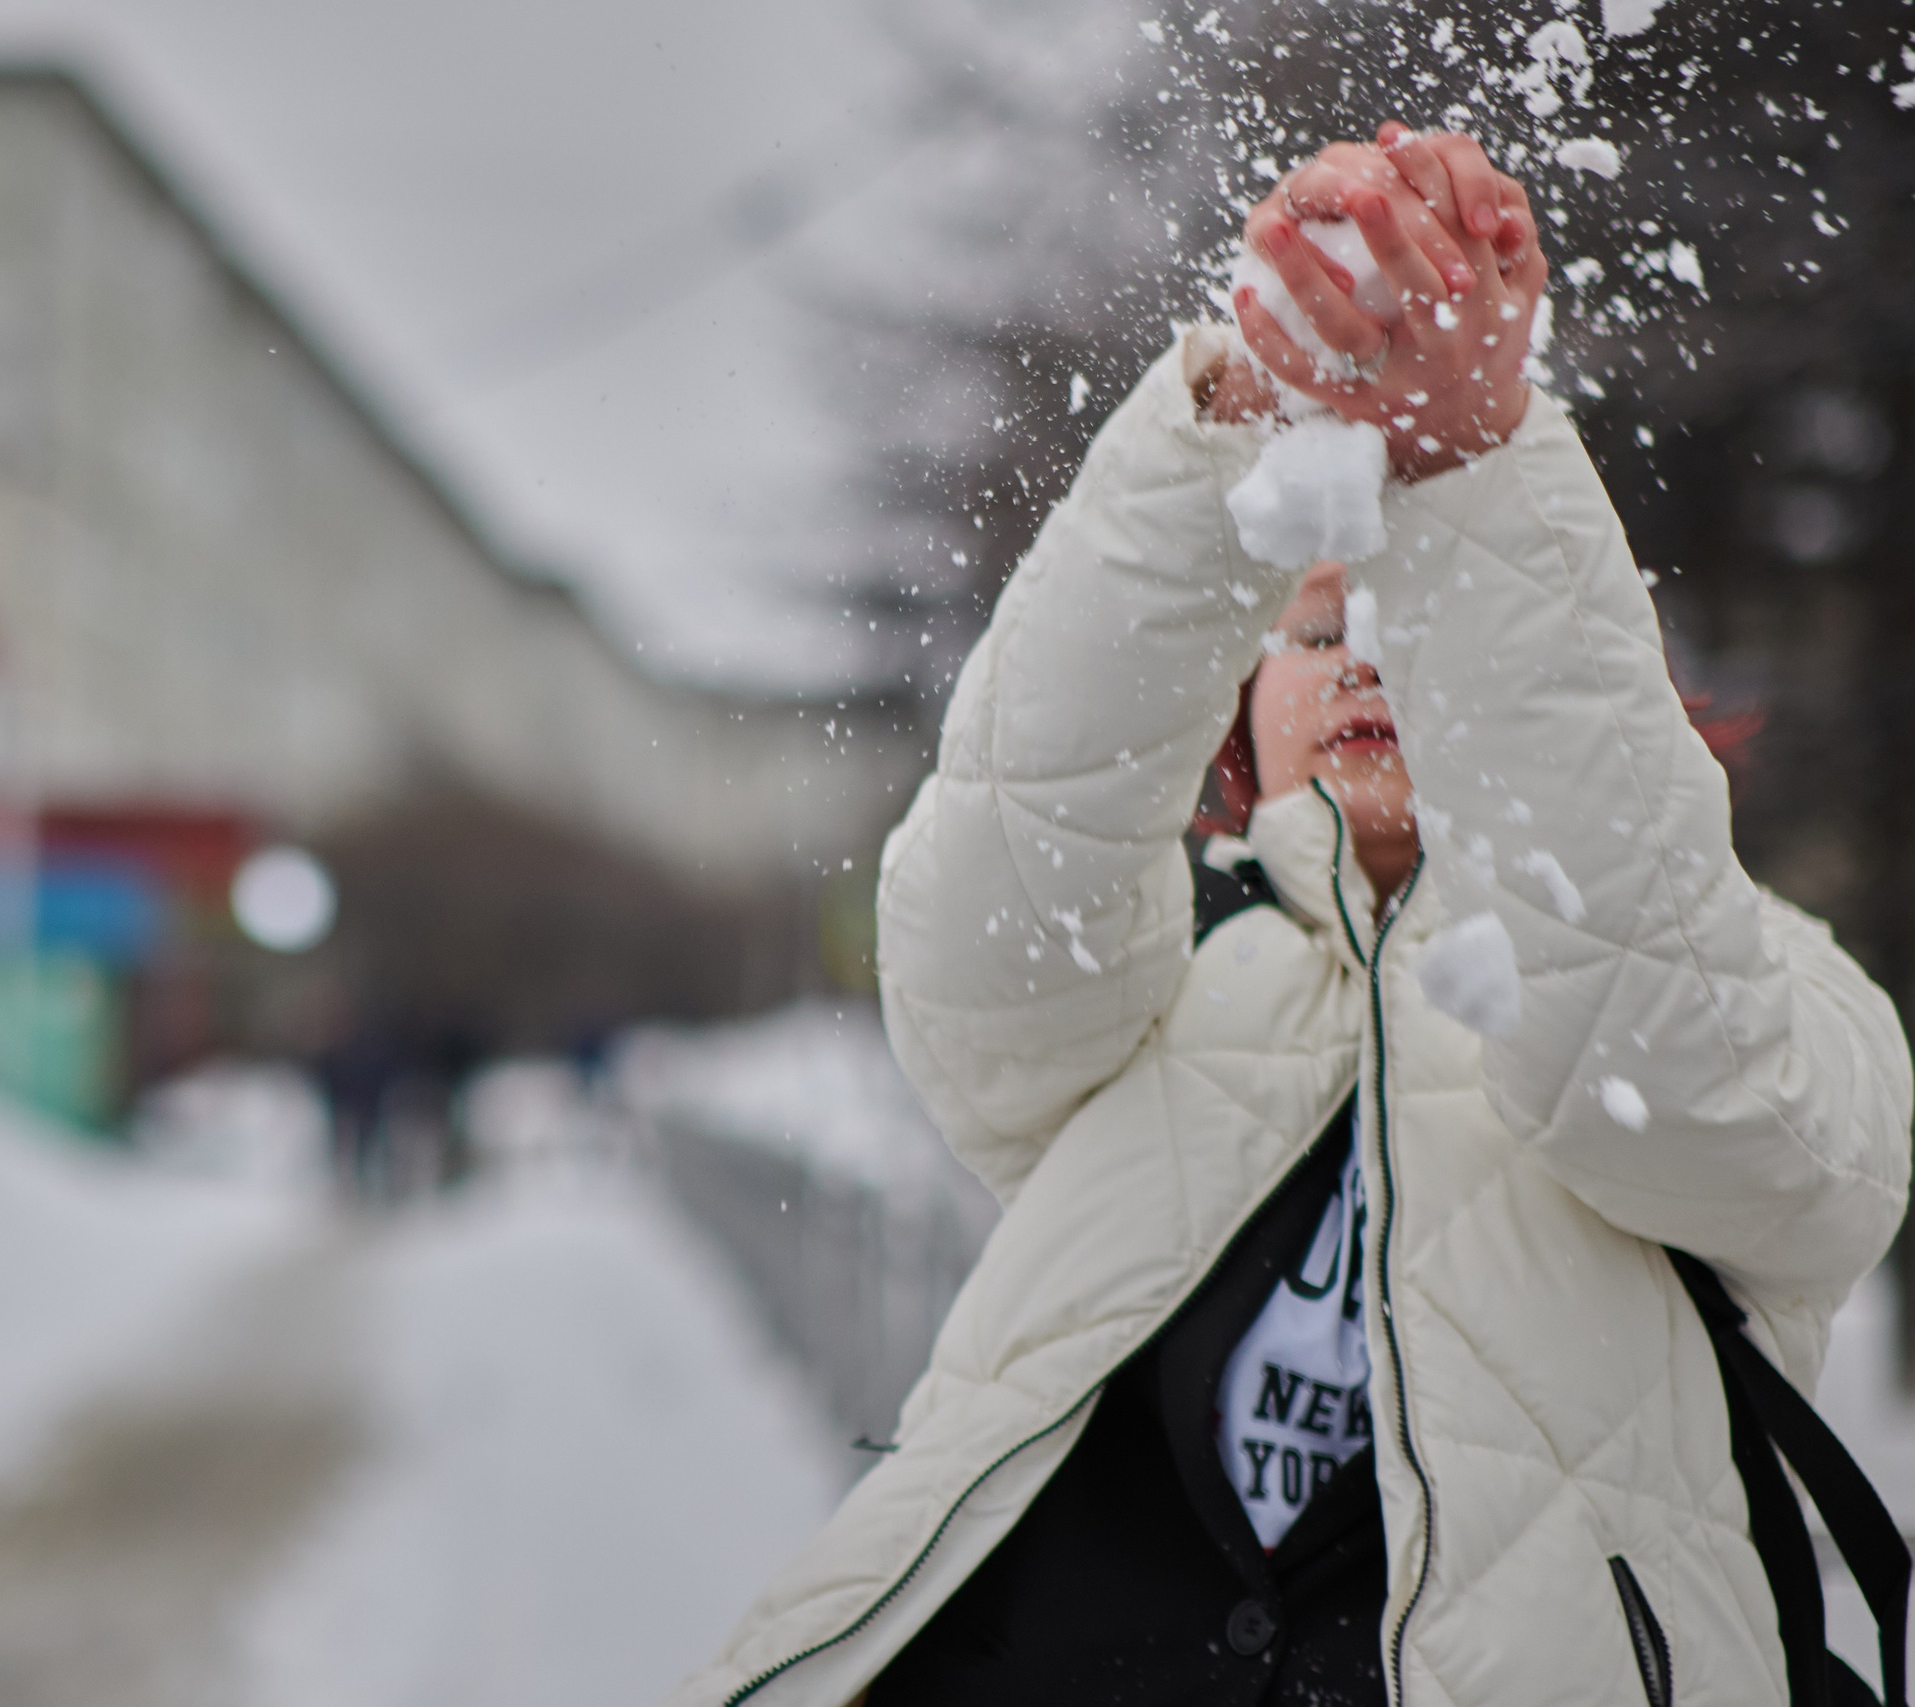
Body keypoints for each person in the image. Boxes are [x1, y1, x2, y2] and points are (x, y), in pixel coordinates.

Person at [665, 127, 1913, 1707]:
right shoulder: (1161, 991)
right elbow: (990, 919)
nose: (1374, 653)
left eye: (1423, 619)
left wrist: (1475, 467)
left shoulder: (1785, 999)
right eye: (1320, 622)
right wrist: (1230, 427)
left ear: (1610, 707)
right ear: (1238, 717)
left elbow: (1662, 1068)